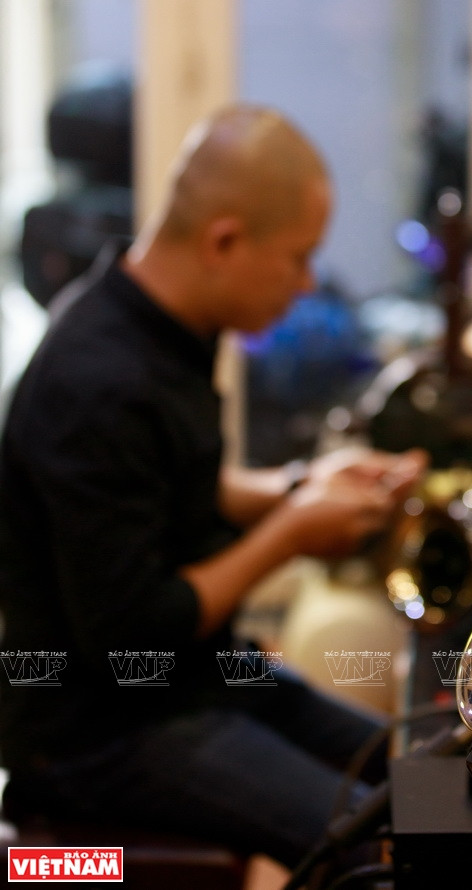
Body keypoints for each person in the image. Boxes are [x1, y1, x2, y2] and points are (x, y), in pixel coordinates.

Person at [0, 104, 427, 869]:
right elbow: (134, 631)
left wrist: (303, 484)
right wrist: (291, 533)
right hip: (100, 732)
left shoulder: (157, 325)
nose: (305, 286)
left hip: (190, 683)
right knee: (387, 851)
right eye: (298, 259)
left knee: (443, 782)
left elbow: (177, 486)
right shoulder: (98, 381)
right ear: (224, 240)